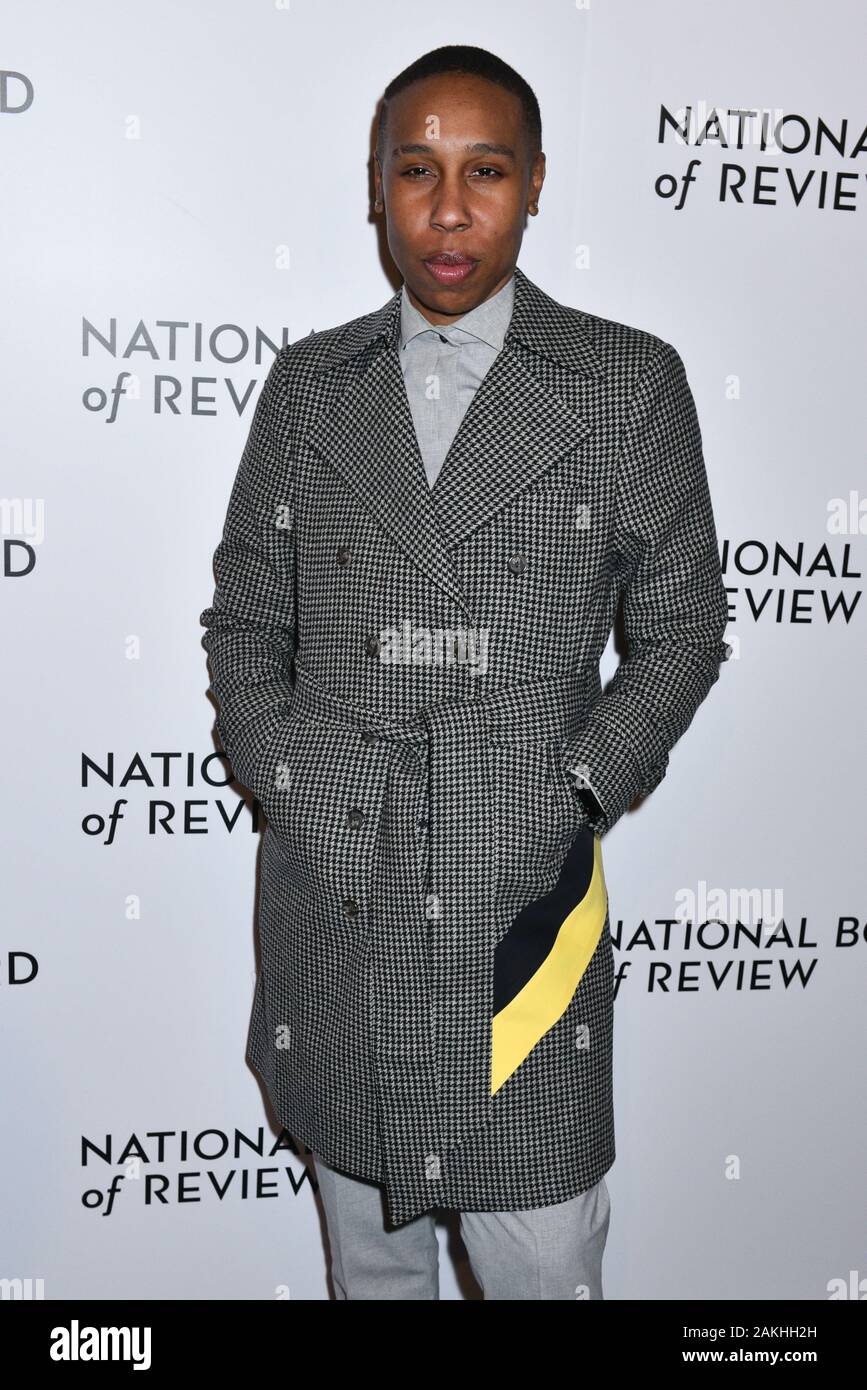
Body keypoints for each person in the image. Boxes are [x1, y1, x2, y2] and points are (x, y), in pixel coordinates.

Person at [199, 43, 731, 1300]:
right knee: (371, 1274)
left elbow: (684, 628)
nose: (448, 211)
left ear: (537, 182)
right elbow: (242, 629)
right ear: (375, 185)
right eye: (417, 171)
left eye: (484, 172)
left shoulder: (625, 384)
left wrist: (577, 786)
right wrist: (310, 784)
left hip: (521, 924)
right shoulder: (309, 388)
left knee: (546, 1264)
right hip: (339, 908)